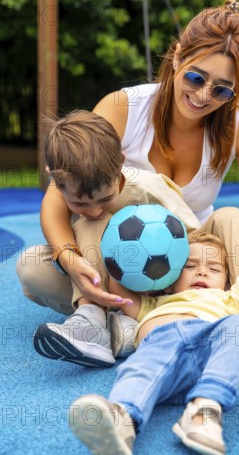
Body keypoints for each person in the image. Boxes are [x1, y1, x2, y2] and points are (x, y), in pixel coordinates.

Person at [17, 0, 239, 372]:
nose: (204, 96)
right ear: (176, 57)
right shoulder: (123, 108)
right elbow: (61, 199)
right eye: (195, 77)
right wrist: (70, 260)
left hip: (196, 261)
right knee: (35, 267)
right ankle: (94, 319)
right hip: (119, 264)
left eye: (223, 89)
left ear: (237, 88)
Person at [69, 206, 239, 455]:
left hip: (210, 358)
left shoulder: (230, 299)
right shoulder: (155, 303)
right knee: (142, 368)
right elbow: (118, 280)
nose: (202, 272)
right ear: (169, 276)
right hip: (160, 350)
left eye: (213, 268)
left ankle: (204, 411)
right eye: (190, 266)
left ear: (226, 282)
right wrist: (115, 246)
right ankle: (122, 422)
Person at [27, 110, 201, 367]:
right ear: (53, 178)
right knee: (29, 268)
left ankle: (107, 321)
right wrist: (69, 259)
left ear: (121, 162)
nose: (95, 210)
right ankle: (104, 322)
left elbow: (197, 238)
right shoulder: (66, 183)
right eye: (79, 203)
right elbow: (51, 215)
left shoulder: (147, 188)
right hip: (96, 281)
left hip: (158, 289)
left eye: (105, 199)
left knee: (92, 224)